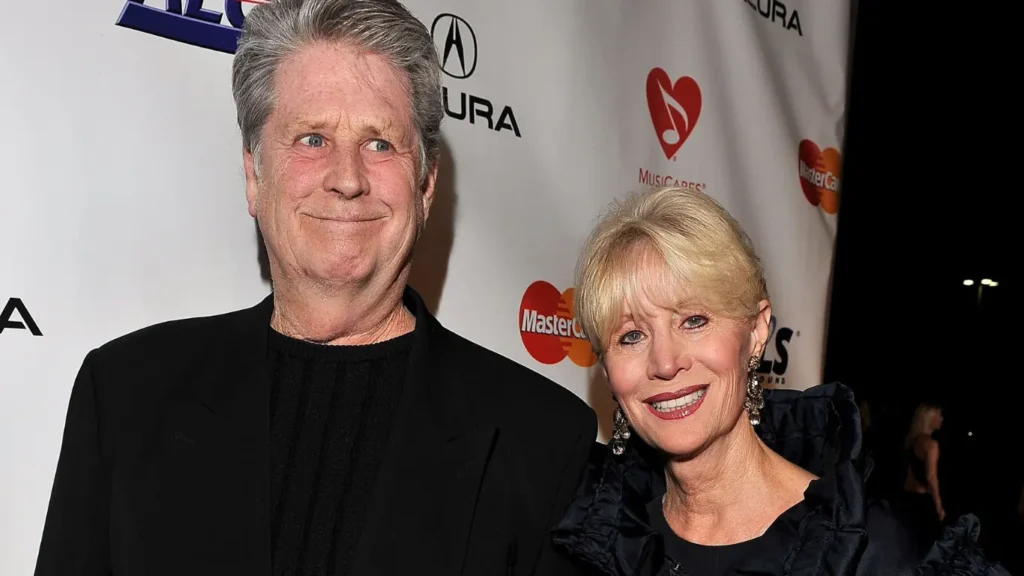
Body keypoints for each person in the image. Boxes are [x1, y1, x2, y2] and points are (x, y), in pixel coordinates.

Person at [33, 1, 596, 574]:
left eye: (380, 143)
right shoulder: (127, 396)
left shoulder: (544, 442)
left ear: (425, 187)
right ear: (254, 176)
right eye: (311, 139)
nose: (347, 178)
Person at [550, 186, 1007, 575]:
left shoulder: (875, 552)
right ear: (607, 369)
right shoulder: (592, 540)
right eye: (631, 335)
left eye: (693, 320)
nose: (665, 363)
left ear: (756, 331)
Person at [901, 401, 946, 542]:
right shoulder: (931, 445)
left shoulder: (911, 441)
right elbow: (931, 477)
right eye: (939, 415)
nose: (941, 419)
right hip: (922, 501)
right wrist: (939, 506)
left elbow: (909, 474)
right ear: (929, 418)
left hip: (906, 496)